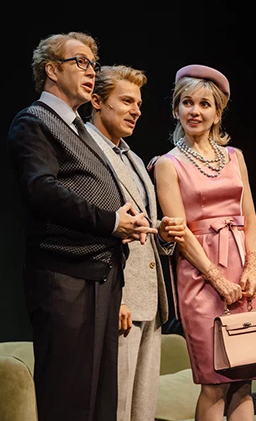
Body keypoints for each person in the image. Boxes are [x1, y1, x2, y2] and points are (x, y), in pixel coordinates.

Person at [7, 31, 158, 421]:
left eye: (93, 63)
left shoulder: (76, 128)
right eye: (80, 62)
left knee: (101, 401)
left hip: (100, 275)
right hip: (64, 277)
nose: (91, 71)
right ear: (51, 70)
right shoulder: (34, 121)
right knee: (69, 398)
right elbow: (42, 189)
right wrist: (111, 221)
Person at [152, 64, 256, 421]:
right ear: (176, 109)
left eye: (205, 104)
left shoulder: (235, 157)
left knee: (245, 379)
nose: (195, 111)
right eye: (187, 103)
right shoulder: (168, 164)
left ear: (217, 113)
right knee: (215, 381)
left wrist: (252, 267)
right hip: (200, 274)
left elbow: (249, 217)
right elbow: (180, 231)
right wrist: (217, 278)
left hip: (242, 270)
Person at [83, 64, 186, 420]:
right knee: (117, 408)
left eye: (138, 103)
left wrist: (163, 233)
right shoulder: (86, 152)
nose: (136, 110)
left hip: (150, 299)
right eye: (126, 101)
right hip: (120, 300)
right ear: (97, 101)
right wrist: (116, 298)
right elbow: (91, 231)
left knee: (142, 410)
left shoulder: (133, 158)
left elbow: (138, 225)